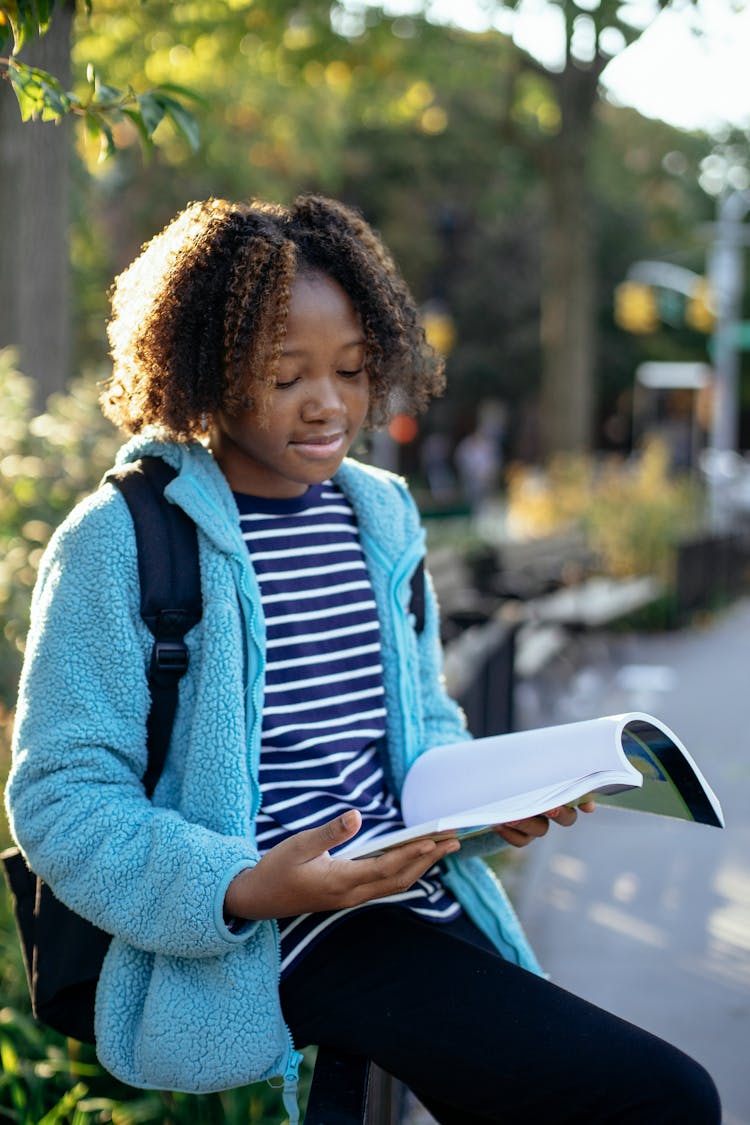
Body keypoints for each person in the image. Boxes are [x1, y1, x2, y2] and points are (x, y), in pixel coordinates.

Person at [6, 196, 720, 1123]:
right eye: (284, 374)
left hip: (412, 894)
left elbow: (420, 722)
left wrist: (490, 805)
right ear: (204, 369)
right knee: (665, 1097)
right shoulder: (121, 536)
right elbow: (59, 792)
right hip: (280, 933)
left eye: (350, 369)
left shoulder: (380, 512)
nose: (329, 404)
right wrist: (246, 884)